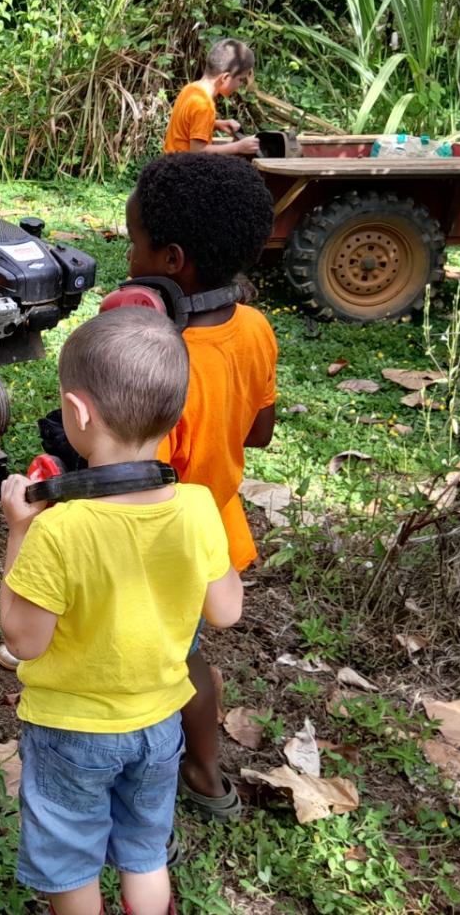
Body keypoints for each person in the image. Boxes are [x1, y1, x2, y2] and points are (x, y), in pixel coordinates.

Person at [0, 307, 244, 915]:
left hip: (72, 732)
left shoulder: (61, 529)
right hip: (160, 727)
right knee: (144, 851)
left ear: (77, 413)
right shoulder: (196, 506)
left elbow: (24, 640)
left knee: (70, 859)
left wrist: (18, 533)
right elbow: (227, 611)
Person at [124, 153, 278, 823]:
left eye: (135, 244)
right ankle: (207, 771)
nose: (129, 256)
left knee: (156, 669)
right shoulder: (256, 330)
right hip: (215, 530)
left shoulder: (158, 362)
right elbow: (262, 430)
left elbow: (134, 480)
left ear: (172, 261)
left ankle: (150, 797)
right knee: (188, 656)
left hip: (158, 547)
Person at [162, 38, 260, 156]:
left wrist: (217, 124)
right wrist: (238, 147)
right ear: (225, 78)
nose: (241, 84)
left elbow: (189, 122)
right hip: (183, 168)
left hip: (169, 161)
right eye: (240, 79)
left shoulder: (190, 89)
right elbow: (197, 151)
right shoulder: (204, 105)